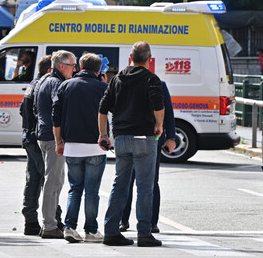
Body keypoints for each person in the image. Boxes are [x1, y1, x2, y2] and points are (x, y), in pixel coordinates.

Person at [98, 41, 164, 247]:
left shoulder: (117, 79)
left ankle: (111, 231)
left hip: (121, 139)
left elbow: (102, 108)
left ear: (131, 58)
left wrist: (103, 134)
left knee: (120, 185)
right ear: (149, 59)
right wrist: (159, 125)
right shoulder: (151, 79)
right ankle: (144, 233)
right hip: (144, 138)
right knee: (145, 187)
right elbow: (158, 105)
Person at [52, 53, 109, 243]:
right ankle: (91, 230)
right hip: (95, 146)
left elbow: (56, 118)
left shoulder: (65, 86)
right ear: (98, 69)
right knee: (92, 191)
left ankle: (69, 227)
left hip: (72, 146)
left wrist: (59, 142)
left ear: (80, 67)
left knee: (74, 189)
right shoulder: (102, 87)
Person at [120, 81, 177, 233]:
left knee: (147, 181)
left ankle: (150, 222)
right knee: (131, 181)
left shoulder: (157, 83)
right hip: (135, 137)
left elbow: (168, 111)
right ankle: (124, 220)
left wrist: (171, 136)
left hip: (149, 138)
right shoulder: (124, 81)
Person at [18, 54, 63, 235]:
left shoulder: (32, 85)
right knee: (50, 180)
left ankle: (30, 221)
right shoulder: (45, 84)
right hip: (40, 136)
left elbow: (23, 111)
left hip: (29, 136)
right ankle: (54, 219)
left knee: (33, 179)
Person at [34, 50, 76, 239]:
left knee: (53, 181)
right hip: (52, 138)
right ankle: (50, 225)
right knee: (54, 182)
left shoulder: (44, 80)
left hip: (44, 135)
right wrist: (60, 138)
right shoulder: (56, 84)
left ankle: (49, 223)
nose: (74, 70)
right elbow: (57, 111)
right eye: (72, 66)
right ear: (62, 66)